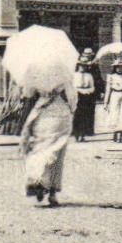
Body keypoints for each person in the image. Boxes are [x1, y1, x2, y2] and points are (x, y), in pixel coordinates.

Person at [19, 60, 79, 208]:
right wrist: (70, 110)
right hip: (60, 113)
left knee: (40, 147)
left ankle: (38, 179)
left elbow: (27, 93)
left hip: (42, 113)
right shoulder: (64, 69)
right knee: (57, 153)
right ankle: (52, 192)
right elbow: (72, 97)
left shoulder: (33, 69)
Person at [104, 62, 122, 143]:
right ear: (115, 68)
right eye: (118, 67)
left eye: (121, 67)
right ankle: (115, 133)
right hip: (114, 95)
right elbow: (108, 90)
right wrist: (106, 102)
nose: (119, 69)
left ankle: (120, 136)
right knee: (114, 114)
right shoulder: (111, 77)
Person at [71, 57, 98, 141]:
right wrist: (78, 91)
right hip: (76, 96)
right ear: (78, 66)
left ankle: (82, 135)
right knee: (76, 116)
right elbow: (71, 86)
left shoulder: (89, 76)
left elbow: (92, 87)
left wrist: (88, 91)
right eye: (81, 66)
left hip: (86, 97)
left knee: (84, 116)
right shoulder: (74, 75)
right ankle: (76, 134)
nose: (83, 68)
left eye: (85, 66)